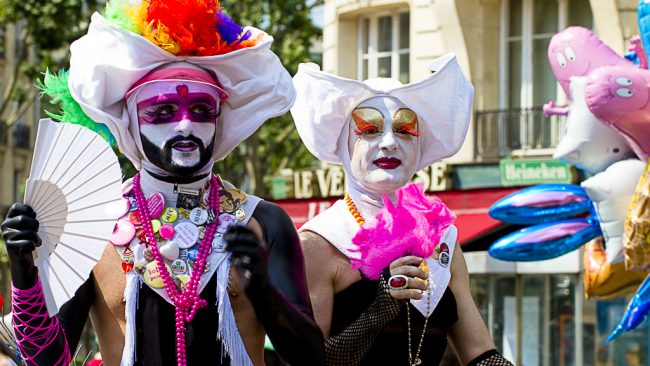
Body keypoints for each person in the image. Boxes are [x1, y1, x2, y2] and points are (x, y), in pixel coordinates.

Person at [0, 1, 323, 365]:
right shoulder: (94, 226)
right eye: (162, 111)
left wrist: (263, 291)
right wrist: (25, 273)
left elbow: (309, 357)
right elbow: (46, 360)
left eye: (201, 110)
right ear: (130, 123)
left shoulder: (263, 222)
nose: (185, 125)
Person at [290, 58, 512, 365]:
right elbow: (310, 361)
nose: (390, 143)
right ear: (345, 144)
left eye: (405, 130)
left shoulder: (442, 237)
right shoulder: (319, 241)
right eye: (370, 130)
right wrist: (381, 307)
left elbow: (480, 353)